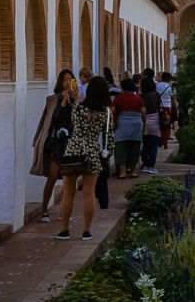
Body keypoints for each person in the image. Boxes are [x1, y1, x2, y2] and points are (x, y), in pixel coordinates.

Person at [57, 76, 114, 240]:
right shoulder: (107, 112)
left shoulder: (78, 107)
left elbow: (74, 123)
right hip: (92, 152)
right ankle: (86, 230)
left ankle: (64, 229)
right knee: (89, 193)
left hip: (73, 150)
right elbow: (109, 137)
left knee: (68, 192)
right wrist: (107, 155)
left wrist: (75, 99)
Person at [30, 69, 75, 222]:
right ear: (60, 82)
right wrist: (62, 103)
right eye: (65, 80)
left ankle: (65, 209)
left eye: (71, 80)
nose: (68, 83)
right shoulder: (52, 100)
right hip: (56, 143)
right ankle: (44, 210)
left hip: (70, 144)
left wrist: (73, 100)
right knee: (52, 177)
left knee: (69, 180)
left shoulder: (78, 100)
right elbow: (49, 120)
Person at [112, 78, 144, 178]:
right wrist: (144, 122)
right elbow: (143, 111)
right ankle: (133, 171)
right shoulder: (138, 98)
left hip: (122, 123)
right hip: (136, 123)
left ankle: (123, 172)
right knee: (135, 147)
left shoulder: (118, 98)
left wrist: (114, 122)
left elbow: (113, 110)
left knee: (121, 146)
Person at [139, 75, 162, 174]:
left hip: (143, 120)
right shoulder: (156, 95)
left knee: (145, 144)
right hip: (155, 120)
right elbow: (159, 107)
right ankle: (151, 165)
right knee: (154, 145)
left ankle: (145, 163)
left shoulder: (141, 96)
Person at [156, 71, 177, 152]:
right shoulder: (171, 87)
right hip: (168, 107)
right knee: (167, 125)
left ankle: (159, 141)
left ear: (162, 78)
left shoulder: (157, 85)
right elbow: (173, 97)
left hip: (159, 107)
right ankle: (165, 143)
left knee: (158, 124)